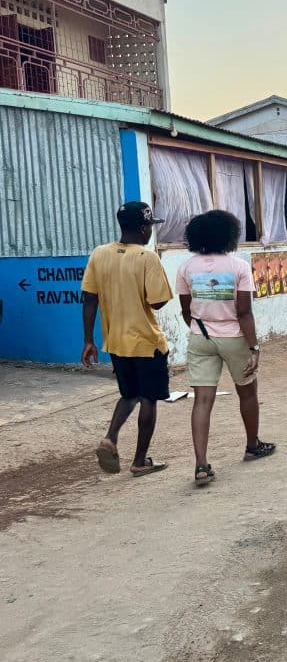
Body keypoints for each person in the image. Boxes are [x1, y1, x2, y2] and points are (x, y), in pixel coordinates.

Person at [176, 210, 275, 486]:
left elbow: (186, 310)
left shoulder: (186, 268)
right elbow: (244, 312)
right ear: (230, 235)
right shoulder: (239, 267)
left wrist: (201, 328)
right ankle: (253, 445)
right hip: (234, 337)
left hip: (200, 337)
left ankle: (201, 464)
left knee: (202, 400)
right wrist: (254, 346)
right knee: (247, 391)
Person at [81, 201, 173, 477]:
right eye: (150, 227)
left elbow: (89, 298)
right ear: (144, 229)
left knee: (128, 394)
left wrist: (88, 340)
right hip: (146, 341)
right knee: (148, 399)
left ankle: (110, 437)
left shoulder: (99, 254)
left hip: (116, 342)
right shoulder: (147, 258)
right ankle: (140, 461)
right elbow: (157, 303)